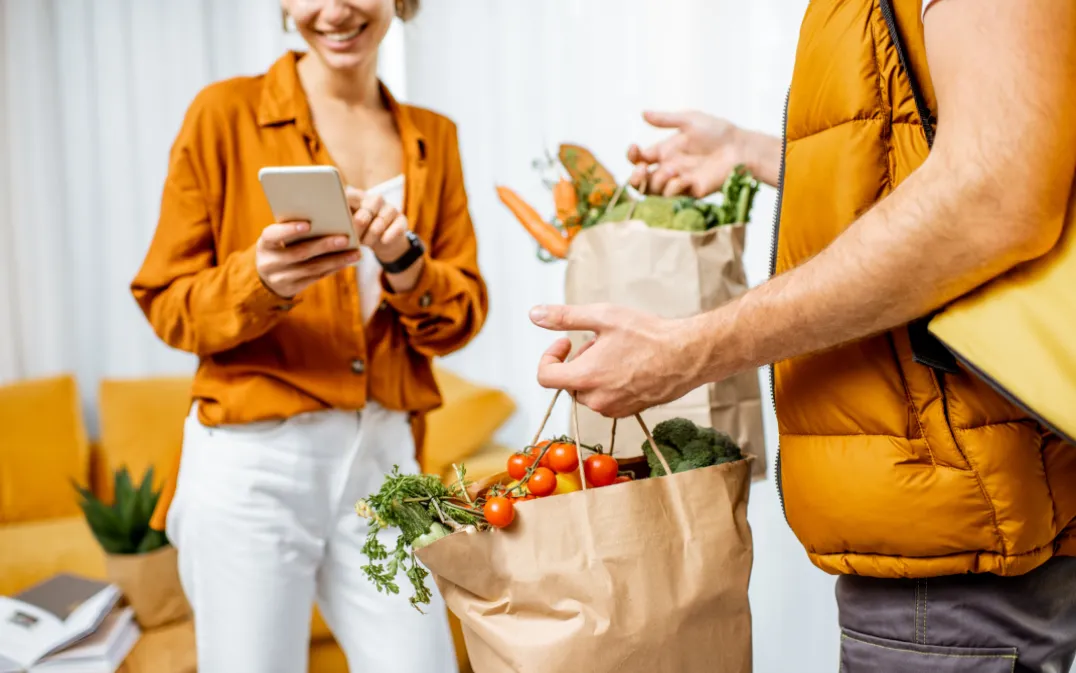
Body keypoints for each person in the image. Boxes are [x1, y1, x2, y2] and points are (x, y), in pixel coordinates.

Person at [531, 0, 1076, 670]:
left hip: (963, 525)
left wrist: (690, 351)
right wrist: (752, 151)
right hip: (953, 511)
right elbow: (931, 151)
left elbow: (993, 194)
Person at [130, 1, 486, 671]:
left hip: (384, 454)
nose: (337, 9)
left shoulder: (434, 138)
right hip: (251, 459)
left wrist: (406, 261)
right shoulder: (223, 115)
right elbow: (166, 302)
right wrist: (261, 280)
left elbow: (461, 315)